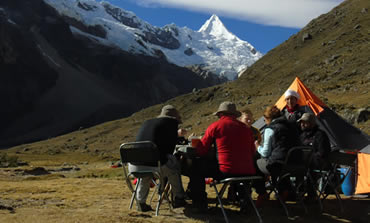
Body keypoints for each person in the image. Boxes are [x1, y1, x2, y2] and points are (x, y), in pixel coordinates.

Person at [188, 101, 259, 212]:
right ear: (235, 115)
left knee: (196, 167)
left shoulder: (215, 126)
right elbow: (252, 152)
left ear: (220, 114)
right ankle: (244, 200)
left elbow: (201, 151)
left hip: (226, 171)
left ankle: (200, 203)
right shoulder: (246, 129)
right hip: (248, 171)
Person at [128, 105, 186, 212]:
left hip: (133, 165)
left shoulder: (147, 122)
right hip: (154, 164)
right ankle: (179, 198)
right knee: (174, 167)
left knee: (146, 174)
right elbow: (169, 150)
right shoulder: (171, 123)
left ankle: (141, 203)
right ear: (174, 118)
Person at [254, 105, 301, 200]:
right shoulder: (292, 126)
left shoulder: (270, 129)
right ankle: (285, 190)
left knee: (255, 164)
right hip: (298, 164)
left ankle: (262, 192)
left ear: (268, 118)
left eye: (264, 120)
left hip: (279, 165)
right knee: (281, 164)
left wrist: (258, 147)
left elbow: (265, 153)